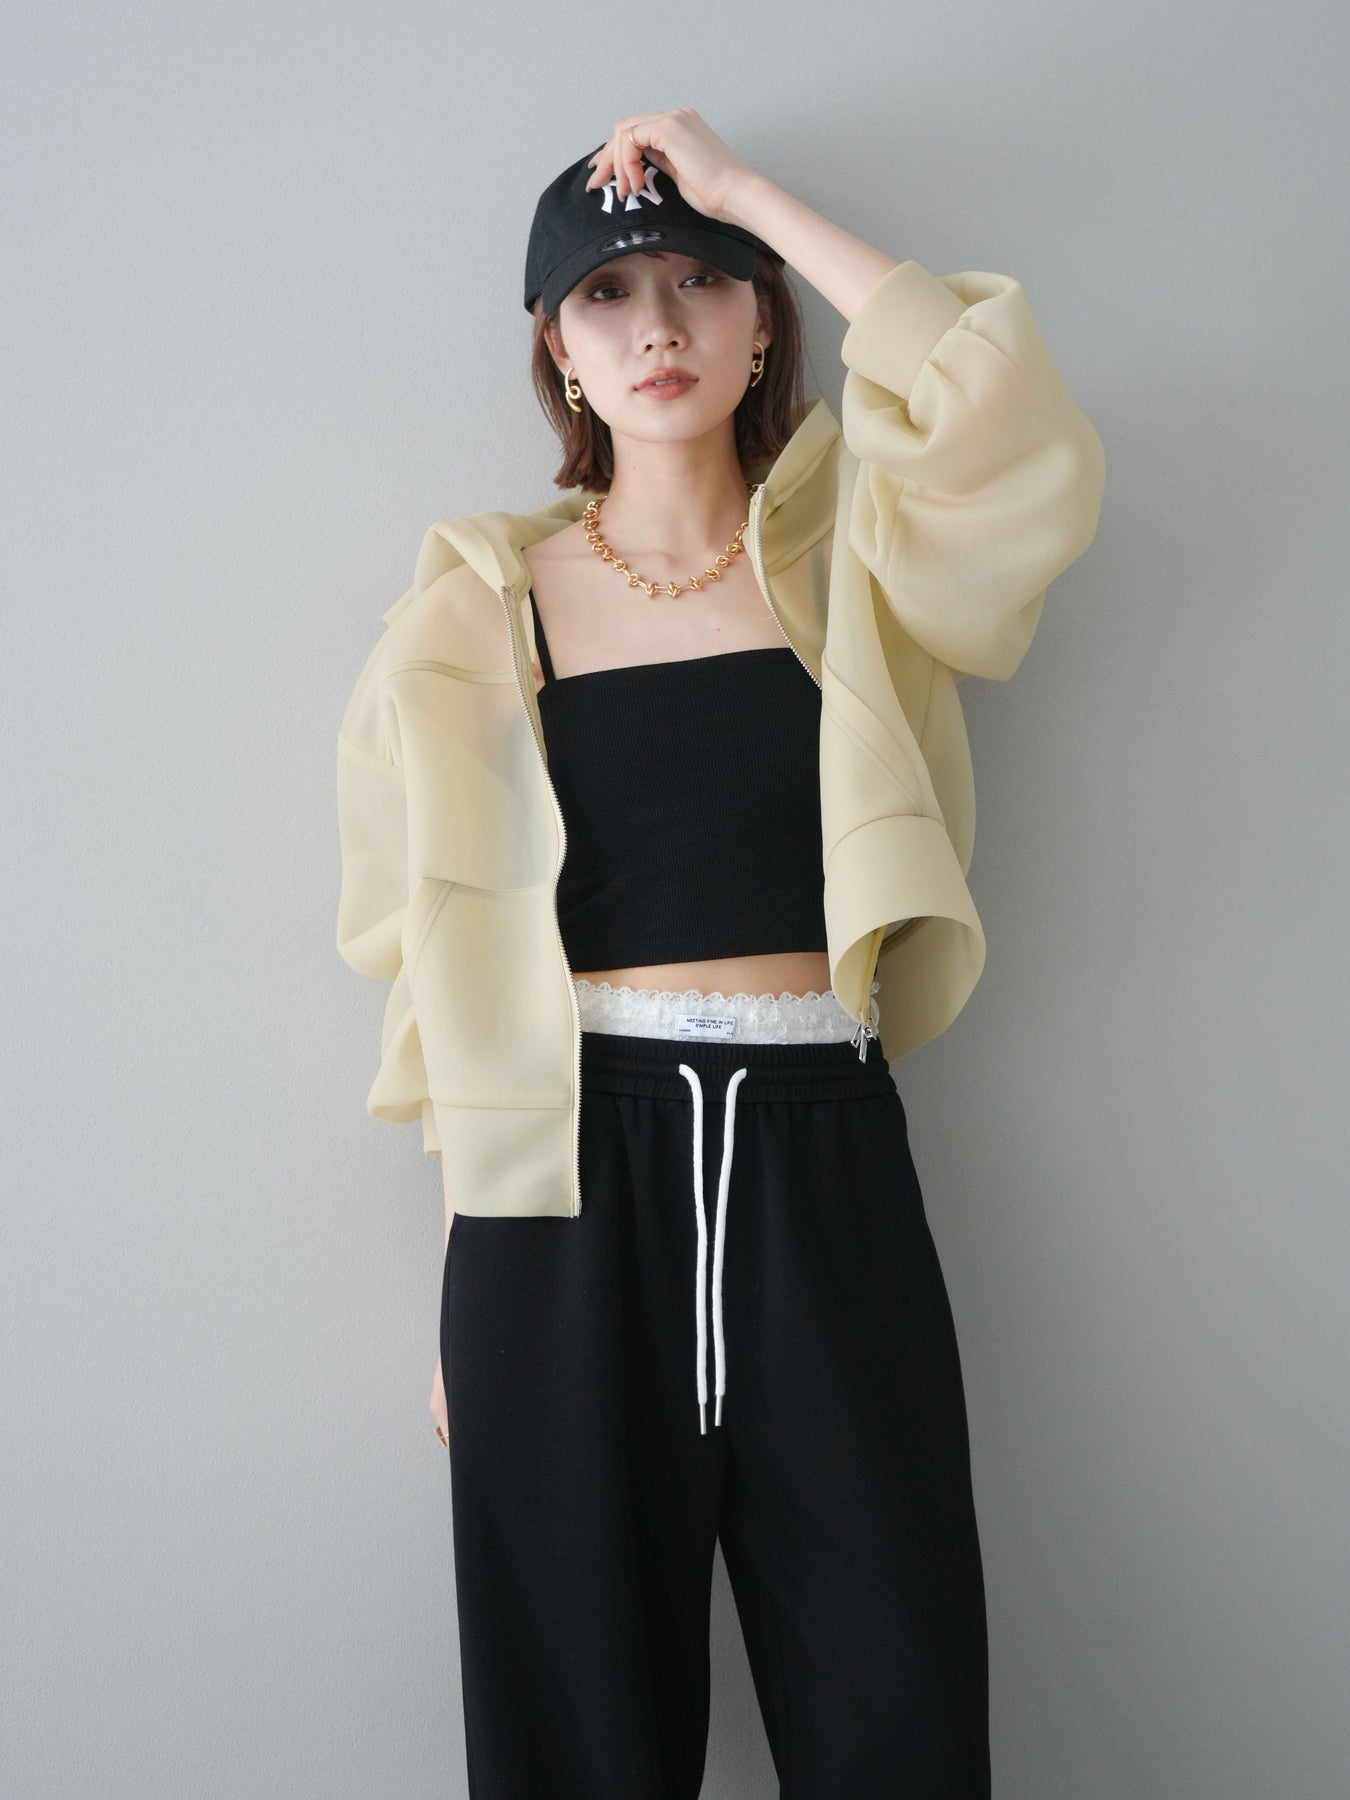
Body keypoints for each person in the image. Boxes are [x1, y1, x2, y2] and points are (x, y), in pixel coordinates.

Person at [335, 107, 1105, 1800]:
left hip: (823, 1164)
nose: (658, 326)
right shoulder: (472, 613)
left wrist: (744, 188)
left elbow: (1000, 416)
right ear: (557, 348)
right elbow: (434, 965)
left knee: (896, 1712)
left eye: (702, 280)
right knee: (576, 1736)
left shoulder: (865, 561)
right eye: (606, 294)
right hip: (559, 1194)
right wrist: (470, 1274)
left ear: (766, 321)